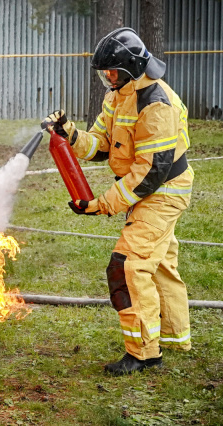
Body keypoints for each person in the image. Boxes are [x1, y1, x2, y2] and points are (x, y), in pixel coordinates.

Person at [42, 28, 194, 376]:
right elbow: (103, 144)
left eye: (111, 72)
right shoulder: (118, 95)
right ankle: (173, 336)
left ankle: (144, 354)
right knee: (160, 265)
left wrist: (102, 204)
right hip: (146, 189)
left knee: (128, 266)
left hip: (162, 193)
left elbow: (150, 173)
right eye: (104, 73)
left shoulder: (156, 104)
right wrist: (72, 135)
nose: (106, 79)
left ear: (129, 69)